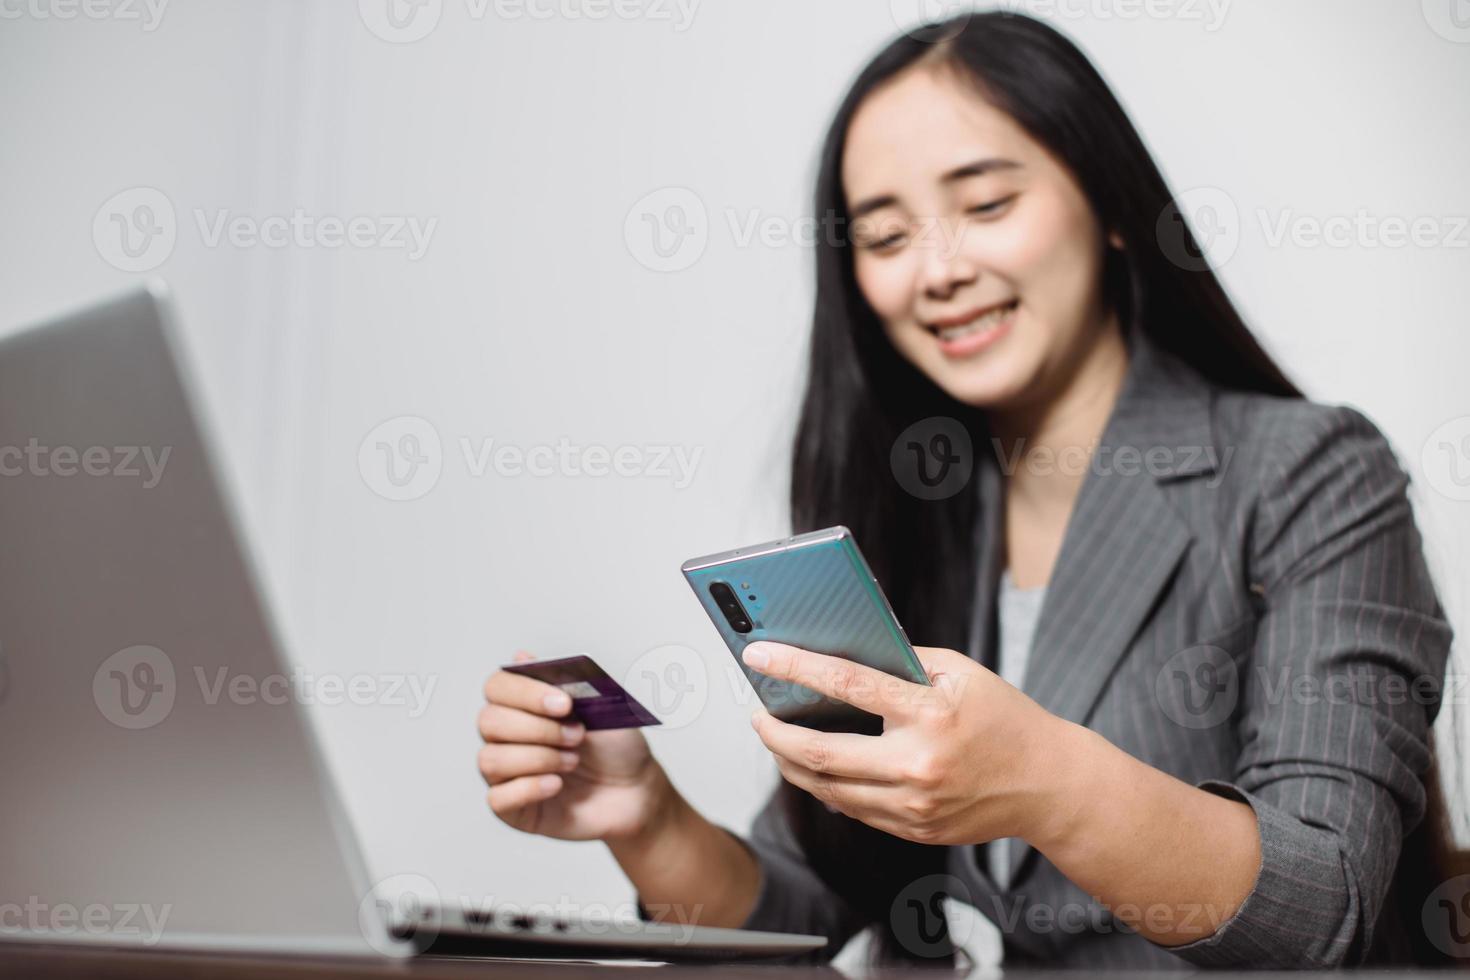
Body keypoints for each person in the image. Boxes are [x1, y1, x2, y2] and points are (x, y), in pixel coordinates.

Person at [476, 12, 1464, 969]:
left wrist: (1042, 778)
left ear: (1112, 207)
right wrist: (644, 818)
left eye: (987, 206)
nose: (939, 270)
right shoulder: (917, 504)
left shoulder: (1313, 473)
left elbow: (1325, 901)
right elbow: (816, 900)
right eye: (887, 235)